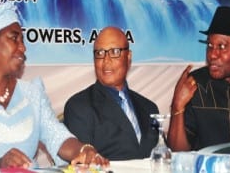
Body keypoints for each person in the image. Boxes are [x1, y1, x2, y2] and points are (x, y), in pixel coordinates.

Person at [0, 2, 109, 170]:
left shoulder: (31, 93)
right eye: (14, 38)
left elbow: (57, 136)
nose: (23, 47)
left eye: (23, 40)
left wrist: (84, 150)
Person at [167, 6, 230, 151]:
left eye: (221, 46)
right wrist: (177, 106)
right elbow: (178, 153)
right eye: (210, 45)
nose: (212, 55)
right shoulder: (195, 86)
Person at [63, 26, 159, 160]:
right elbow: (84, 163)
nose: (106, 61)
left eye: (114, 52)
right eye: (100, 53)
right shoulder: (79, 107)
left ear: (128, 56)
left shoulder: (149, 108)